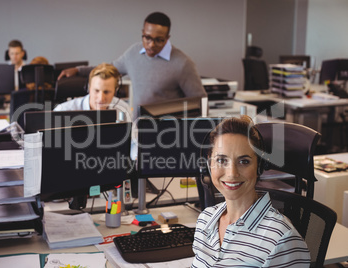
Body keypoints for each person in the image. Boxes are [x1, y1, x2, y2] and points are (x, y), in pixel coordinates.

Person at [192, 116, 310, 267]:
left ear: (259, 166)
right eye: (221, 160)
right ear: (209, 163)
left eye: (244, 161)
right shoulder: (205, 220)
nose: (232, 173)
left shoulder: (281, 239)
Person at [57, 12, 207, 119]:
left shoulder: (183, 64)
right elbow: (110, 70)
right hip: (137, 128)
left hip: (166, 130)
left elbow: (199, 102)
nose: (151, 44)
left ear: (167, 38)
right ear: (142, 32)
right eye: (147, 38)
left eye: (159, 40)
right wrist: (78, 70)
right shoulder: (134, 53)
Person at [54, 63, 131, 122]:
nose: (101, 98)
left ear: (115, 91)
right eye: (96, 91)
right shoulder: (63, 111)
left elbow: (133, 140)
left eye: (106, 92)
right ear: (89, 88)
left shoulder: (123, 109)